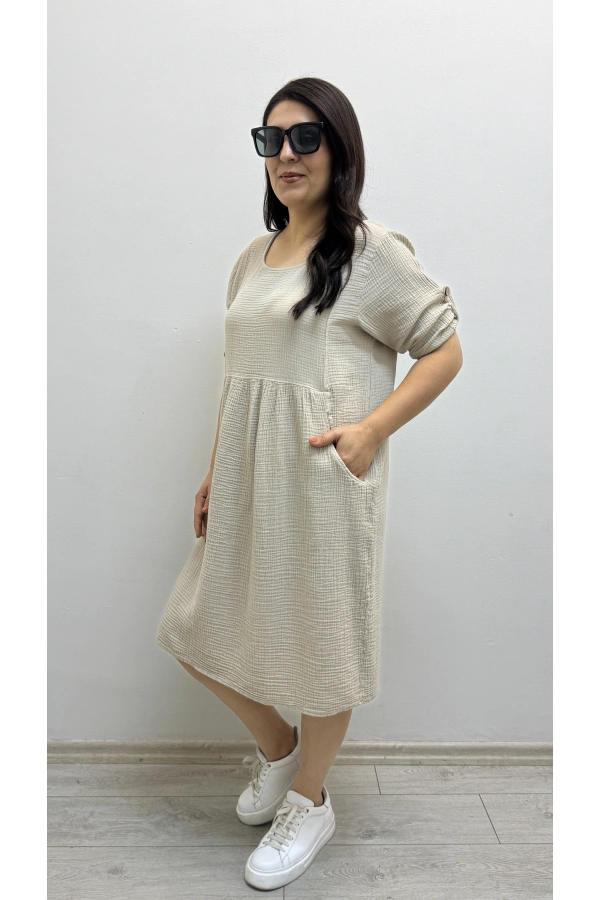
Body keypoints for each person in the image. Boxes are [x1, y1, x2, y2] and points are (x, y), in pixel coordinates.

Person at [156, 76, 463, 890]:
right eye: (272, 140)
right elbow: (238, 375)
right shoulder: (249, 261)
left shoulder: (371, 252)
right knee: (194, 627)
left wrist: (371, 431)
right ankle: (279, 748)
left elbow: (444, 349)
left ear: (338, 146)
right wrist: (214, 471)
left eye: (305, 137)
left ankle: (311, 799)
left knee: (324, 640)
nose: (286, 155)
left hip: (324, 477)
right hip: (247, 475)